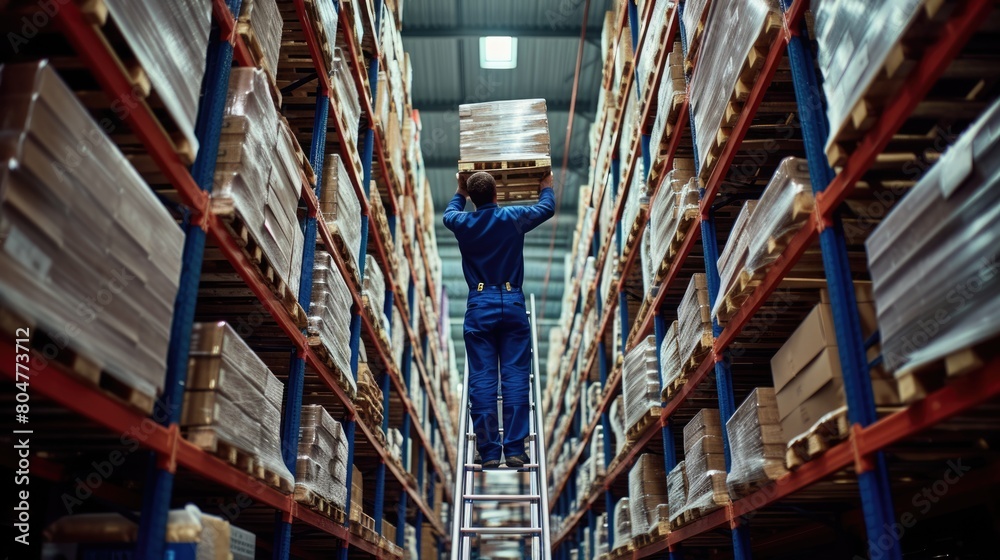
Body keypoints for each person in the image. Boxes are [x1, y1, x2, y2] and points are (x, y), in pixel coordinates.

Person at [443, 171, 556, 468]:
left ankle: (490, 452)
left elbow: (449, 213)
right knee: (516, 375)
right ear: (496, 195)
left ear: (473, 197)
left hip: (480, 304)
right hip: (513, 300)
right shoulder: (512, 217)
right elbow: (547, 209)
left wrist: (460, 191)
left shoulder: (463, 223)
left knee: (482, 377)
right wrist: (546, 186)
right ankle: (515, 449)